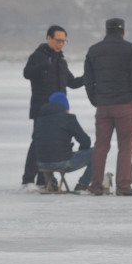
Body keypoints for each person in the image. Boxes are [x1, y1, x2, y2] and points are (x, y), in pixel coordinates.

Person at [84, 17, 132, 196]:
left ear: (106, 31)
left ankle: (95, 186)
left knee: (101, 146)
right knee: (125, 147)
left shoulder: (93, 50)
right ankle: (123, 186)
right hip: (126, 105)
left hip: (103, 106)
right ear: (123, 31)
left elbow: (88, 80)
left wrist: (95, 100)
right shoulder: (130, 49)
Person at [22, 25, 85, 187]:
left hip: (59, 112)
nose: (61, 44)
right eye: (58, 40)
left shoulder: (61, 61)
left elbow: (72, 83)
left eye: (64, 41)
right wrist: (44, 65)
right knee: (37, 143)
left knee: (50, 144)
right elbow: (27, 73)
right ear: (48, 38)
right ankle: (28, 180)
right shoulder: (38, 56)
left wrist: (89, 77)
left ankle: (44, 180)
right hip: (41, 110)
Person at [33, 92, 93, 191]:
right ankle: (83, 185)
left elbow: (35, 139)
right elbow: (85, 141)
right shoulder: (68, 118)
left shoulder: (40, 119)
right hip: (62, 162)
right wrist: (82, 150)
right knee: (97, 152)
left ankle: (51, 183)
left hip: (41, 163)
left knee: (49, 150)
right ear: (65, 106)